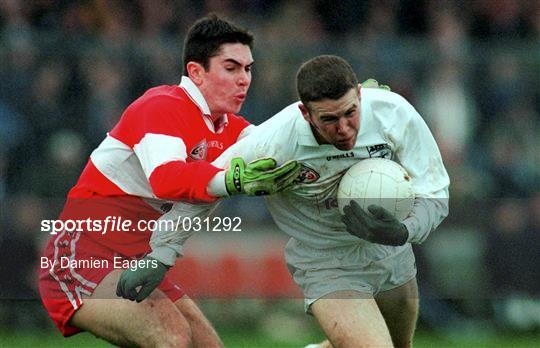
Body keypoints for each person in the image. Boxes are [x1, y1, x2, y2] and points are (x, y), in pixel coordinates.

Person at [134, 55, 450, 348]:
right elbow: (206, 188)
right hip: (326, 263)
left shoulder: (392, 112)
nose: (343, 128)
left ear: (359, 94)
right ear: (305, 112)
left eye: (350, 112)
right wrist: (160, 254)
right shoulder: (274, 142)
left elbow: (434, 190)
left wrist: (404, 231)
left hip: (389, 250)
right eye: (329, 119)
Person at [38, 14, 300, 347]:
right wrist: (231, 181)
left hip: (137, 262)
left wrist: (354, 118)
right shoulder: (162, 106)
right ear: (196, 72)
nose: (243, 80)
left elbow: (285, 147)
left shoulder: (231, 128)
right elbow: (167, 178)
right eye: (231, 68)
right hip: (82, 255)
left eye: (248, 69)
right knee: (171, 336)